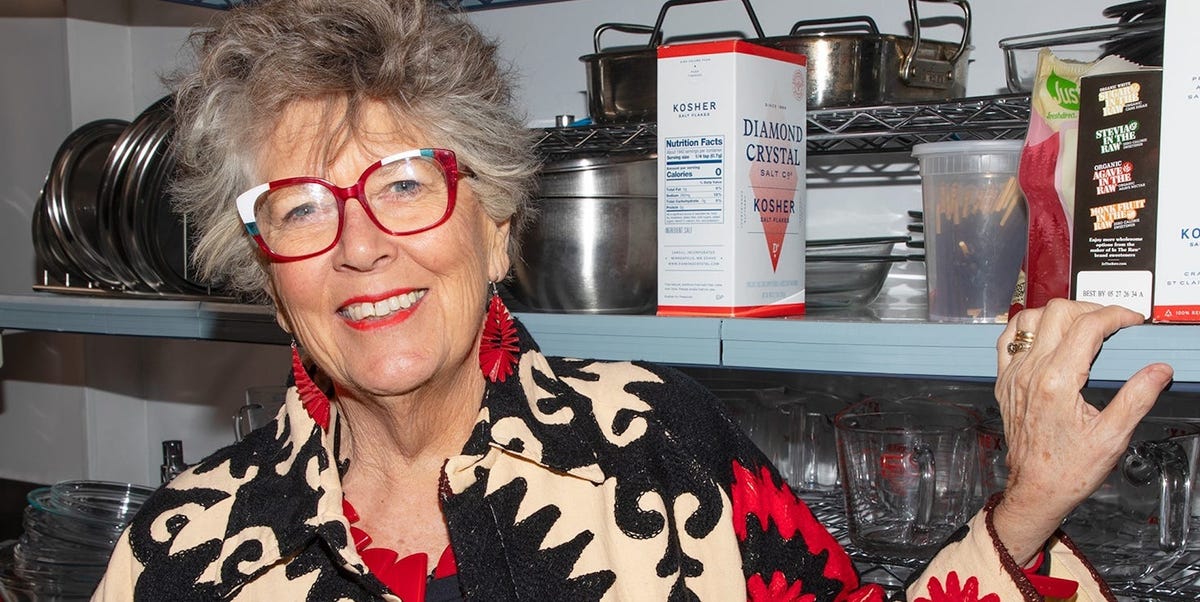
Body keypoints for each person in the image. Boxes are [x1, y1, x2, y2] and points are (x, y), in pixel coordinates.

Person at [93, 0, 1173, 599]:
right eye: (301, 208)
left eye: (408, 185)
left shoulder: (662, 446)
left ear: (496, 225)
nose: (363, 246)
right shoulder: (180, 549)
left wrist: (1028, 507)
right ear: (265, 274)